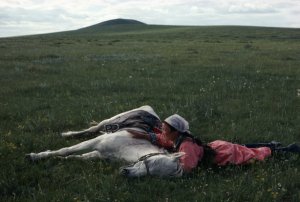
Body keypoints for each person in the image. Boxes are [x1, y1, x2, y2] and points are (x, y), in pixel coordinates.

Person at [128, 114, 300, 173]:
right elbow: (162, 139)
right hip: (217, 146)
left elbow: (187, 168)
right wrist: (144, 136)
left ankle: (284, 150)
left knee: (251, 154)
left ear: (175, 131)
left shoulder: (185, 146)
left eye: (165, 129)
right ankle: (271, 144)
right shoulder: (177, 138)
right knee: (244, 148)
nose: (162, 132)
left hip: (222, 154)